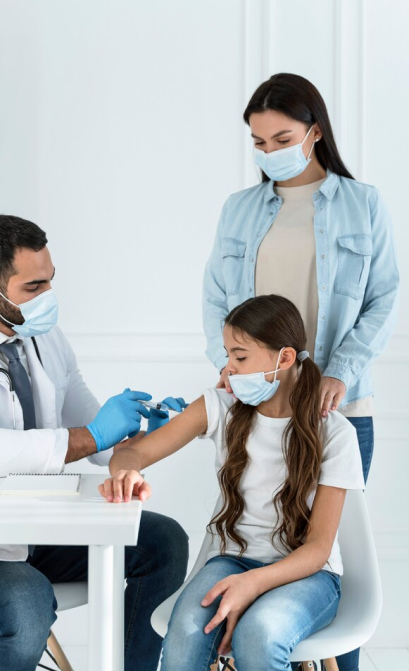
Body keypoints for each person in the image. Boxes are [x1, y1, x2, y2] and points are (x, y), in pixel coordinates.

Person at [0, 214, 188, 671]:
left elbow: (99, 440)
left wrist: (148, 428)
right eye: (33, 288)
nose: (48, 297)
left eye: (50, 281)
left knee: (163, 541)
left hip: (42, 525)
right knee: (25, 604)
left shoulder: (45, 337)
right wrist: (93, 435)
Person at [202, 74, 399, 670]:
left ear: (314, 133)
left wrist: (342, 369)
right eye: (258, 143)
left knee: (335, 561)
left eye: (280, 138)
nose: (269, 153)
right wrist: (229, 366)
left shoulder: (362, 204)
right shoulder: (239, 210)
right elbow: (216, 300)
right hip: (259, 407)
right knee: (260, 543)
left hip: (337, 410)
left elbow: (385, 297)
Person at [98, 294, 365, 671]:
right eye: (227, 356)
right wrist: (125, 471)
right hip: (231, 561)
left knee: (260, 633)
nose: (229, 369)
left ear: (284, 358)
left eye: (240, 357)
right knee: (187, 632)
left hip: (309, 575)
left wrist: (254, 583)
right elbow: (134, 454)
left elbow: (319, 549)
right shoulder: (219, 407)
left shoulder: (335, 434)